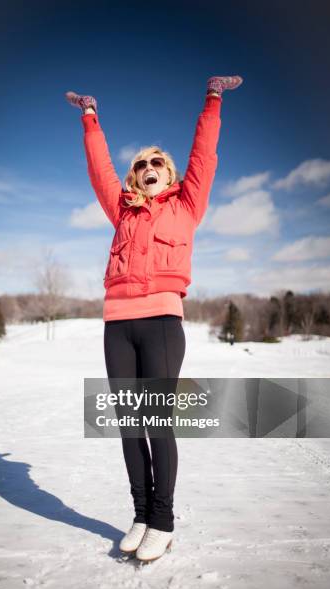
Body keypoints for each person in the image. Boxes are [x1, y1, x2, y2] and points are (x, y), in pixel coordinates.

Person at [65, 75, 243, 562]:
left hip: (163, 321)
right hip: (117, 324)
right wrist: (89, 116)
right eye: (140, 163)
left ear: (169, 174)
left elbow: (204, 157)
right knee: (128, 423)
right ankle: (142, 513)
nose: (148, 166)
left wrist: (212, 99)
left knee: (157, 421)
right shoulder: (121, 210)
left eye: (157, 162)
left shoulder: (187, 207)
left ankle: (162, 521)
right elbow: (99, 168)